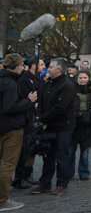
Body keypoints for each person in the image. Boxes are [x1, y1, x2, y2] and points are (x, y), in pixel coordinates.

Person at [30, 58, 76, 195]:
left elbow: (60, 108)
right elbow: (41, 100)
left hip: (63, 125)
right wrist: (39, 115)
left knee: (62, 156)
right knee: (48, 155)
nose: (47, 69)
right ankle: (45, 183)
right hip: (49, 125)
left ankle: (62, 183)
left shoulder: (67, 85)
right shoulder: (48, 83)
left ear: (59, 70)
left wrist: (42, 117)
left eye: (50, 67)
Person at [0, 54, 37, 211]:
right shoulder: (11, 84)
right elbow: (10, 107)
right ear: (14, 66)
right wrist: (29, 101)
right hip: (11, 129)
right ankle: (2, 200)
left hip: (3, 127)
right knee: (7, 165)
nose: (23, 68)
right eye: (22, 65)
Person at [68, 71, 91, 181]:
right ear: (77, 78)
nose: (82, 80)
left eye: (84, 77)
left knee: (85, 150)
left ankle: (83, 171)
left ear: (88, 79)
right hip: (74, 124)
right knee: (71, 151)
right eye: (80, 77)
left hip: (88, 124)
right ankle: (69, 173)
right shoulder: (71, 90)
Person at [11, 57, 38, 191]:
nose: (23, 68)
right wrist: (30, 101)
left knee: (30, 148)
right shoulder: (21, 81)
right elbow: (12, 105)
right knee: (21, 151)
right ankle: (20, 178)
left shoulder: (36, 78)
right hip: (21, 120)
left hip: (29, 117)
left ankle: (27, 174)